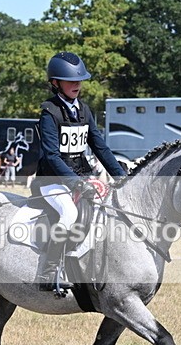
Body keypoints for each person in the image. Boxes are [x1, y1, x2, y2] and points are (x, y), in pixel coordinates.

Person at [32, 51, 127, 292]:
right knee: (68, 214)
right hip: (52, 181)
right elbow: (52, 156)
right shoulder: (49, 113)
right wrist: (75, 183)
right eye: (70, 80)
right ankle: (49, 272)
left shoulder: (84, 110)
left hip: (81, 177)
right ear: (56, 83)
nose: (77, 84)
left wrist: (120, 176)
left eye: (79, 80)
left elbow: (100, 146)